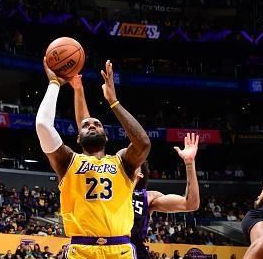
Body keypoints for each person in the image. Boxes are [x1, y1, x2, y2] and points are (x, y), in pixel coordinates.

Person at [70, 74, 200, 259]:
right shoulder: (105, 176)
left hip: (133, 252)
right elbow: (87, 134)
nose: (127, 165)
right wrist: (79, 90)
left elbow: (191, 204)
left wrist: (189, 164)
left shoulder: (148, 197)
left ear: (138, 174)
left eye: (132, 165)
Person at [36, 59, 151, 259]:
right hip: (81, 250)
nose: (91, 125)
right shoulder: (67, 161)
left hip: (120, 250)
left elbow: (143, 143)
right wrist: (54, 84)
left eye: (97, 124)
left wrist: (113, 102)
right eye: (86, 125)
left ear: (106, 137)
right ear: (78, 138)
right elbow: (43, 126)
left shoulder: (122, 161)